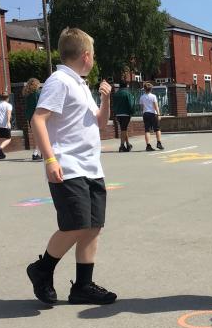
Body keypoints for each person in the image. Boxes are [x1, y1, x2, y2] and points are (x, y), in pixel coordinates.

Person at [26, 27, 117, 306]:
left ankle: (83, 287)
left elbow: (100, 123)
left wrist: (105, 100)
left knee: (92, 226)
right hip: (68, 166)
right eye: (94, 55)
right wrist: (50, 159)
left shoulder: (80, 84)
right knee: (75, 225)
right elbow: (38, 119)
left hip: (91, 167)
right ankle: (42, 269)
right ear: (86, 56)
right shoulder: (59, 81)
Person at [139, 82, 164, 151]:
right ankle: (159, 143)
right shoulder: (153, 96)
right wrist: (158, 114)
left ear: (144, 89)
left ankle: (148, 145)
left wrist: (144, 112)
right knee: (157, 129)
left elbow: (141, 107)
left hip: (146, 114)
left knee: (147, 130)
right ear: (151, 89)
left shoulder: (142, 97)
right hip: (153, 114)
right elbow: (156, 106)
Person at [23, 78, 42, 160]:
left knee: (36, 135)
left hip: (30, 116)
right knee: (41, 135)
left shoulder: (27, 94)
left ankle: (38, 152)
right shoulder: (38, 93)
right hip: (38, 115)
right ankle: (36, 153)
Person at [113, 80, 133, 152]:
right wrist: (131, 112)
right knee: (124, 129)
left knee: (123, 129)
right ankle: (121, 146)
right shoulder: (127, 93)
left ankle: (128, 144)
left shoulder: (116, 94)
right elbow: (130, 104)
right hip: (126, 113)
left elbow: (114, 105)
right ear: (126, 86)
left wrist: (115, 113)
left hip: (118, 114)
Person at [0, 93, 13, 160]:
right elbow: (8, 114)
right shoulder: (8, 105)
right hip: (5, 124)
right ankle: (0, 148)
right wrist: (8, 122)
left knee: (1, 138)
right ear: (7, 98)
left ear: (0, 98)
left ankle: (1, 155)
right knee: (8, 139)